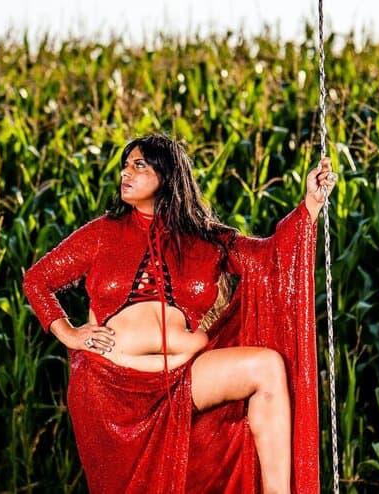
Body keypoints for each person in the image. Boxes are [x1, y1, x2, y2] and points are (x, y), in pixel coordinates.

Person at [23, 134, 337, 494]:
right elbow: (38, 280)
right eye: (125, 165)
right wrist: (69, 333)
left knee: (266, 367)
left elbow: (271, 258)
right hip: (111, 388)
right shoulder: (102, 233)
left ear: (167, 173)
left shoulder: (207, 239)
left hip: (180, 378)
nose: (126, 173)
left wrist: (310, 206)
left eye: (138, 165)